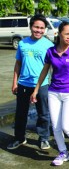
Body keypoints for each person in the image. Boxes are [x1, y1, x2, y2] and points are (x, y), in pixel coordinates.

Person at [30, 22, 69, 166]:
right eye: (67, 34)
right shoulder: (50, 51)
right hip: (53, 92)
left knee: (66, 126)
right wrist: (36, 89)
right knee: (56, 126)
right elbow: (44, 72)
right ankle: (63, 152)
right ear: (59, 34)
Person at [7, 14, 53, 150]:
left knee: (43, 113)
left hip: (42, 84)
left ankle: (44, 138)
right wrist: (14, 82)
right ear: (31, 27)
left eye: (42, 28)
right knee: (21, 113)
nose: (39, 30)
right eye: (36, 27)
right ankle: (19, 138)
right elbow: (18, 64)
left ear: (45, 29)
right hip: (23, 84)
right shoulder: (22, 44)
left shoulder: (48, 45)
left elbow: (53, 66)